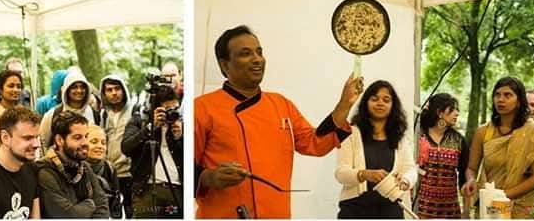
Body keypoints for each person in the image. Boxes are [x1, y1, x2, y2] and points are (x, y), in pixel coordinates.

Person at [194, 25, 362, 219]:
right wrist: (209, 177)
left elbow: (315, 143)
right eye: (245, 54)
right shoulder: (202, 108)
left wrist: (344, 104)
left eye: (259, 52)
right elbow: (183, 164)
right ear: (224, 65)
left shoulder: (281, 104)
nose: (257, 59)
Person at [462, 77, 534, 219]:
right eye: (497, 95)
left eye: (507, 95)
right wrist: (471, 180)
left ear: (519, 101)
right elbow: (471, 168)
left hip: (522, 207)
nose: (500, 99)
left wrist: (502, 195)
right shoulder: (483, 132)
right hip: (490, 204)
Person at [334, 80, 416, 219]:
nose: (380, 103)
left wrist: (405, 180)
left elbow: (410, 169)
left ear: (393, 106)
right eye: (374, 99)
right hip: (354, 210)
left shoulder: (400, 138)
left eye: (386, 100)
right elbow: (340, 173)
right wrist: (364, 174)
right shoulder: (351, 133)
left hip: (391, 210)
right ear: (366, 103)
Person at [122, 85, 182, 219]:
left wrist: (180, 137)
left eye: (175, 109)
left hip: (176, 191)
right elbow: (126, 148)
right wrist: (150, 128)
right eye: (167, 109)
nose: (172, 113)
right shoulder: (140, 121)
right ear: (155, 109)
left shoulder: (181, 124)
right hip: (146, 190)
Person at [0, 106, 42, 219]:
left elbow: (35, 217)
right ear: (5, 137)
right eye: (27, 138)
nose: (36, 144)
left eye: (36, 137)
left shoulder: (32, 168)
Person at [37, 111, 111, 218]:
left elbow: (102, 206)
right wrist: (90, 204)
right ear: (59, 140)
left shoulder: (84, 167)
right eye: (77, 137)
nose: (85, 143)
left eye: (86, 136)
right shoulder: (45, 171)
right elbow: (67, 215)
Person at [414, 93, 468, 219]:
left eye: (457, 110)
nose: (457, 113)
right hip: (422, 209)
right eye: (452, 109)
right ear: (439, 113)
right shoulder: (419, 135)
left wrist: (466, 211)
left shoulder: (458, 140)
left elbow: (464, 174)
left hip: (450, 210)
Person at [99, 75, 135, 216]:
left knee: (131, 211)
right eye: (109, 90)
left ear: (123, 90)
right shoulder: (103, 114)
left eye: (117, 88)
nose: (114, 93)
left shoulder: (134, 111)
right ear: (104, 93)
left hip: (130, 171)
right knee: (113, 212)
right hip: (110, 172)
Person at [40, 68, 97, 147]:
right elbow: (43, 143)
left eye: (82, 87)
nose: (79, 90)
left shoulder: (94, 113)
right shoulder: (53, 114)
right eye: (74, 87)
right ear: (67, 89)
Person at [87, 125, 122, 217]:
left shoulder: (110, 168)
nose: (100, 146)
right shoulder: (75, 168)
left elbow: (116, 203)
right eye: (94, 142)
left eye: (103, 143)